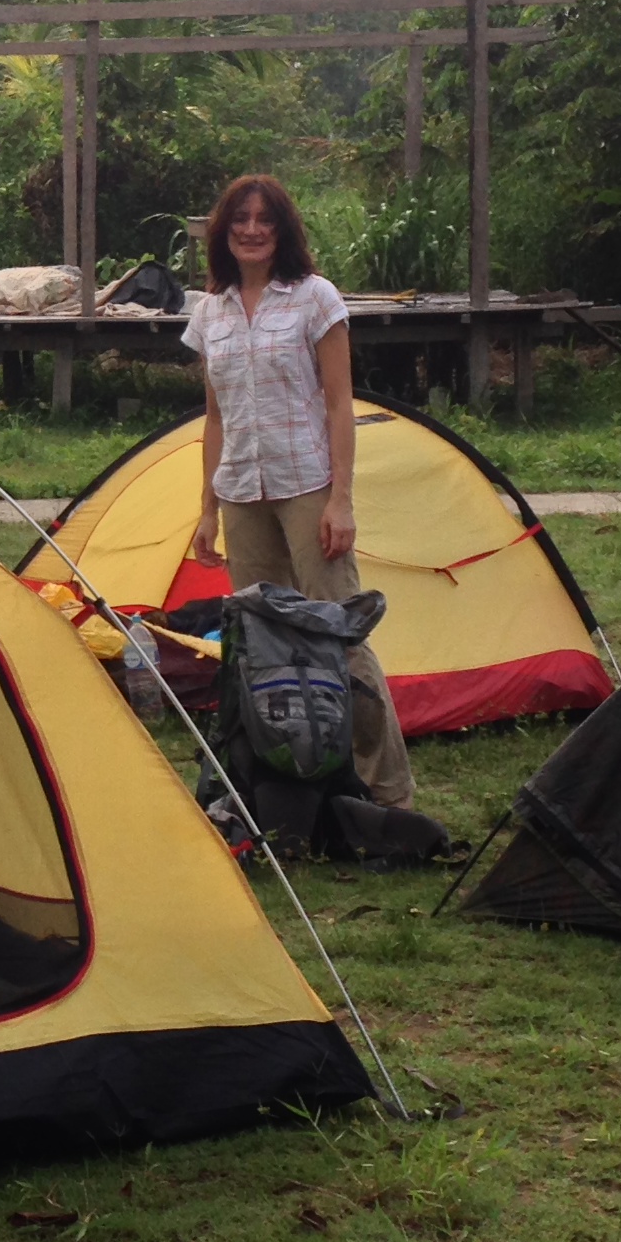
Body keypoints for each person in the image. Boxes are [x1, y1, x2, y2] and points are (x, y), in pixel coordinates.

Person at [183, 172, 415, 809]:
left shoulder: (315, 299)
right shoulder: (210, 312)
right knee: (261, 642)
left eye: (264, 220)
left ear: (282, 230)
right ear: (223, 232)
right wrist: (206, 511)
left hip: (307, 485)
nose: (252, 230)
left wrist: (341, 499)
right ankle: (286, 782)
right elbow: (216, 418)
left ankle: (386, 790)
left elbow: (340, 405)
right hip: (241, 494)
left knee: (340, 632)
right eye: (239, 221)